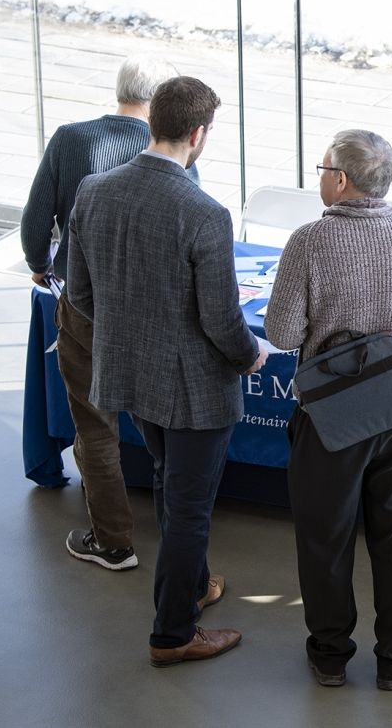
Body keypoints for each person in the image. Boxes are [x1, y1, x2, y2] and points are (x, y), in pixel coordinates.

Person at [67, 76, 265, 667]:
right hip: (193, 389)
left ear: (153, 120)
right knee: (190, 508)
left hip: (129, 374)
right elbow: (221, 321)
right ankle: (173, 634)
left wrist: (133, 335)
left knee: (167, 481)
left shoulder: (93, 190)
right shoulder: (203, 212)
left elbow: (80, 294)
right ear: (199, 134)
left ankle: (194, 585)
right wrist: (250, 354)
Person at [265, 129, 392, 691]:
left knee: (324, 538)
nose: (320, 177)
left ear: (342, 180)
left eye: (323, 169)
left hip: (328, 416)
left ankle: (329, 657)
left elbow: (281, 334)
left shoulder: (308, 241)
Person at [20, 55, 195, 571]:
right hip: (151, 315)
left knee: (95, 430)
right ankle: (180, 536)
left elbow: (35, 221)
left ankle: (113, 542)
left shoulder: (69, 139)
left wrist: (40, 265)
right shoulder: (175, 148)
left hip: (84, 310)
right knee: (160, 427)